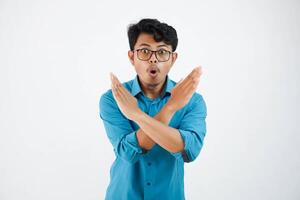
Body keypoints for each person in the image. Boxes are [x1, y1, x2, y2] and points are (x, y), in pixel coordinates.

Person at [99, 18, 207, 200]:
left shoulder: (192, 101)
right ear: (132, 57)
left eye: (162, 52)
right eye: (144, 51)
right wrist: (170, 109)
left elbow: (187, 150)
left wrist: (136, 114)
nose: (153, 58)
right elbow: (128, 153)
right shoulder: (113, 98)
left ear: (173, 59)